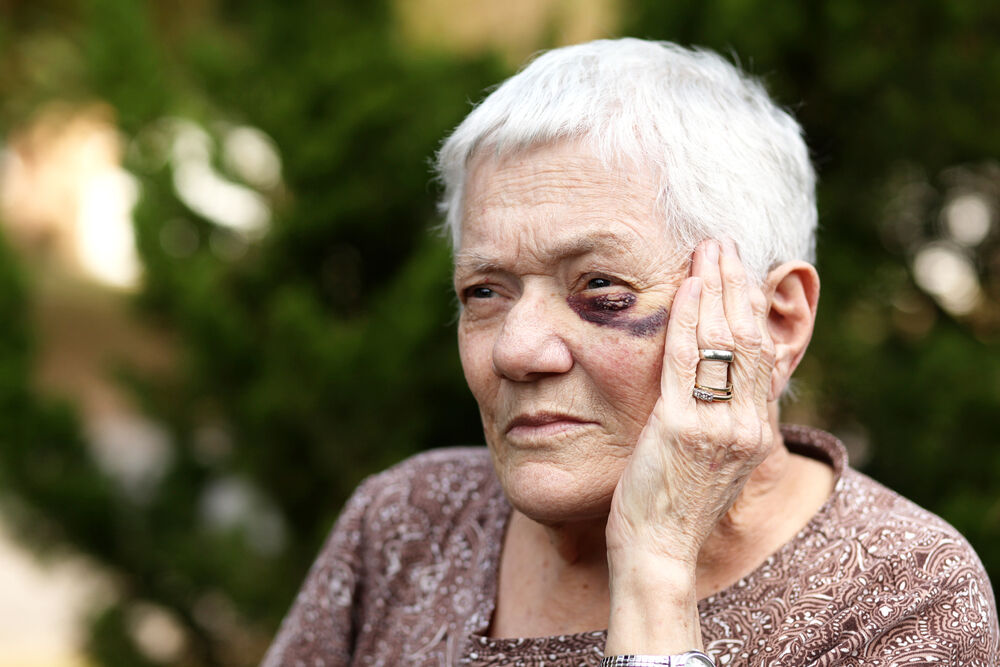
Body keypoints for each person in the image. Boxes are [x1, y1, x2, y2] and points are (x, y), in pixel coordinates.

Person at [262, 38, 999, 666]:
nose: (518, 350)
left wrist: (654, 567)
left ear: (775, 321)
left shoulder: (899, 594)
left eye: (602, 288)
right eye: (485, 291)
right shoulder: (406, 521)